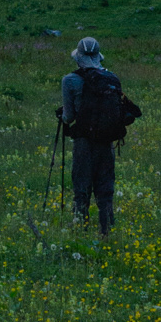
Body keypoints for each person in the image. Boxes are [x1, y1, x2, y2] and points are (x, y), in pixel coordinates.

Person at [60, 35, 120, 236]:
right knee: (105, 187)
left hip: (84, 142)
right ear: (98, 57)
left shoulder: (70, 81)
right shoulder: (112, 79)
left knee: (82, 186)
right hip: (106, 142)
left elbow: (68, 118)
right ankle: (107, 229)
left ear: (78, 58)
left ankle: (81, 228)